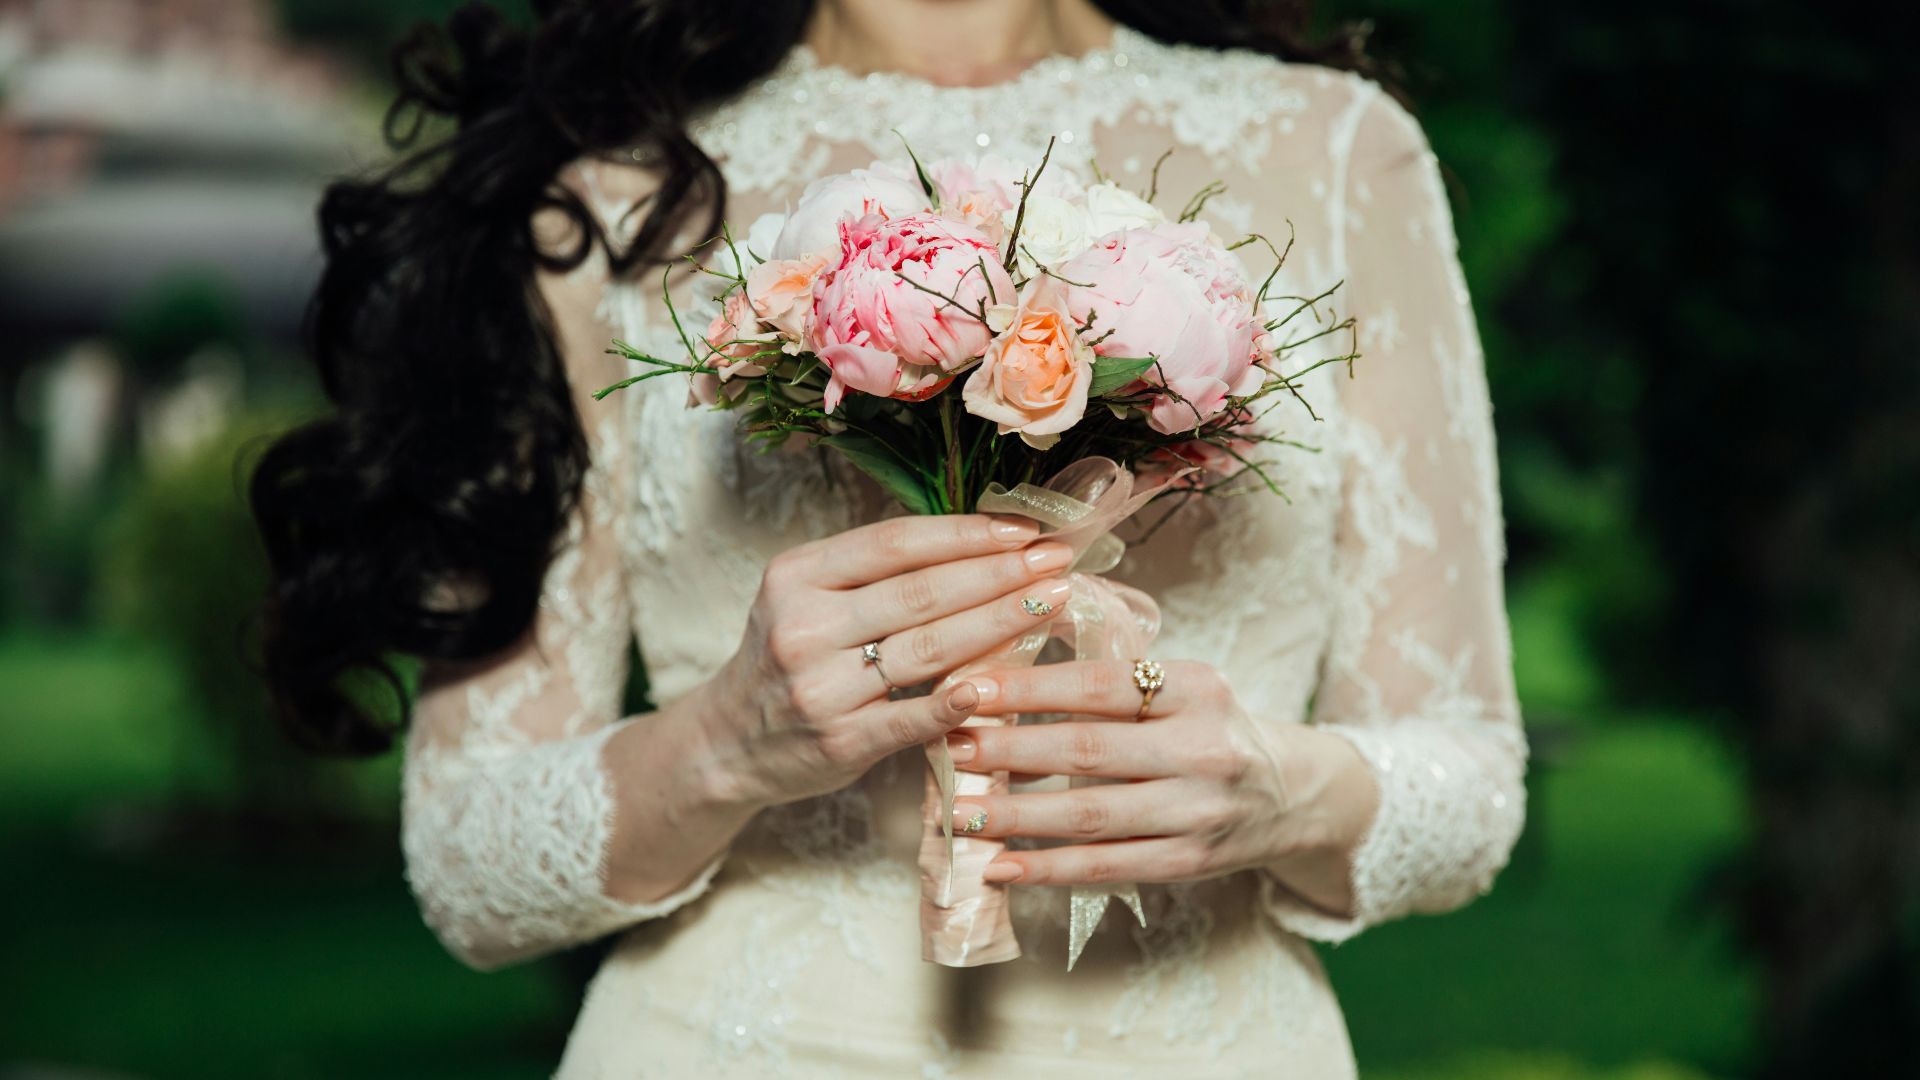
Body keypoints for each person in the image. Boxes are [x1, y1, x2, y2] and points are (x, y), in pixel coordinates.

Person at [251, 1, 1527, 1074]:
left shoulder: (1341, 152)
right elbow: (469, 866)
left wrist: (1276, 788)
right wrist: (725, 742)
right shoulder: (602, 194)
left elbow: (1469, 781)